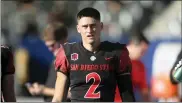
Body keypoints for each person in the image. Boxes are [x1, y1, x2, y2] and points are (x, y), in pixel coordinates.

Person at [52, 7, 135, 102]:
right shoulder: (67, 53)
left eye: (93, 25)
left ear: (101, 26)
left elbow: (128, 97)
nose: (89, 30)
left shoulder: (116, 53)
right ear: (78, 28)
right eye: (85, 26)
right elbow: (58, 98)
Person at [25, 23, 70, 102]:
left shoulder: (72, 61)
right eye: (48, 46)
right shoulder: (56, 60)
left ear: (64, 40)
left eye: (52, 45)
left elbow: (73, 93)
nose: (50, 49)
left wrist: (43, 90)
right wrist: (40, 88)